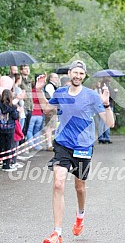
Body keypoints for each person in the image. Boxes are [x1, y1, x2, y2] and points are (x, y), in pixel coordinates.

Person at [36, 60, 115, 243]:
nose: (78, 76)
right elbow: (47, 109)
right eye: (75, 72)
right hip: (63, 144)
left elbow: (110, 123)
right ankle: (57, 232)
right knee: (58, 183)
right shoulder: (61, 92)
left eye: (81, 73)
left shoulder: (91, 96)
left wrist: (106, 104)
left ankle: (80, 215)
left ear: (84, 76)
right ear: (69, 73)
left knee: (79, 187)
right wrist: (39, 90)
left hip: (83, 146)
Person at [0, 89, 19, 171]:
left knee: (1, 145)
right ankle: (6, 164)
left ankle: (1, 162)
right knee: (9, 146)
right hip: (10, 128)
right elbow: (15, 117)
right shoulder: (13, 107)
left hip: (1, 128)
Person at [43, 72, 59, 150]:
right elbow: (53, 96)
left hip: (53, 108)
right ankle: (49, 144)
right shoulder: (49, 86)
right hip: (50, 108)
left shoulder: (54, 86)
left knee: (53, 126)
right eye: (55, 77)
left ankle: (51, 143)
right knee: (49, 126)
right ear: (51, 78)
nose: (57, 79)